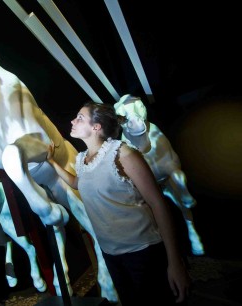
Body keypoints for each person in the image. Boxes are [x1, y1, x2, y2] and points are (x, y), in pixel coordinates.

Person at [46, 101, 191, 306]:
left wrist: (174, 261)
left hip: (143, 253)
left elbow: (157, 203)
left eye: (80, 118)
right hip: (112, 255)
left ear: (96, 127)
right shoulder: (83, 160)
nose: (72, 121)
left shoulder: (123, 154)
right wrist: (51, 162)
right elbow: (78, 183)